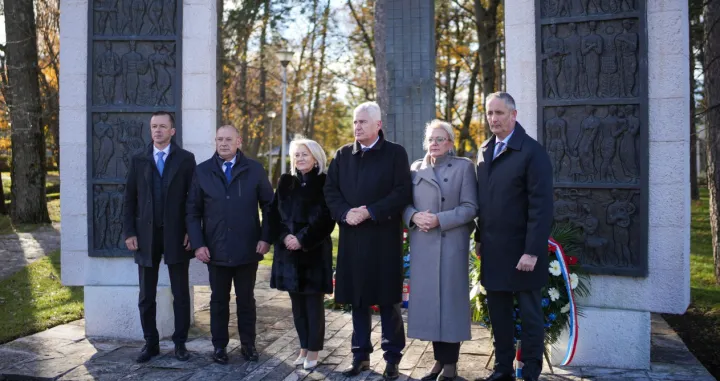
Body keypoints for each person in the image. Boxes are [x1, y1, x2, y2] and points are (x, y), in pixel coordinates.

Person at [324, 101, 412, 380]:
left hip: (383, 238)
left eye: (362, 122)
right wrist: (345, 212)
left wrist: (370, 211)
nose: (357, 127)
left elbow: (401, 192)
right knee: (357, 300)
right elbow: (330, 191)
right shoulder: (342, 155)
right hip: (353, 238)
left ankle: (392, 358)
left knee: (388, 301)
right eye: (354, 122)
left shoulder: (395, 154)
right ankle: (360, 355)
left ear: (378, 125)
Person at [474, 92, 553, 381]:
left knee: (530, 316)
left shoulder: (532, 152)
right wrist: (479, 239)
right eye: (489, 113)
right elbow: (485, 203)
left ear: (513, 115)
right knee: (499, 316)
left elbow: (541, 207)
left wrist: (532, 251)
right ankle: (502, 369)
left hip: (523, 253)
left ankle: (530, 372)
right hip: (494, 251)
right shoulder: (484, 151)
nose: (493, 118)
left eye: (499, 113)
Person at [186, 125, 273, 364]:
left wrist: (265, 238)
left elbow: (269, 206)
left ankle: (248, 345)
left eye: (228, 139)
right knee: (218, 300)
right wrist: (198, 244)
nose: (223, 143)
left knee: (246, 300)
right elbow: (192, 212)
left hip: (248, 248)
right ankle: (219, 347)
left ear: (239, 141)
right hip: (215, 250)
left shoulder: (254, 169)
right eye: (219, 139)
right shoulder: (202, 171)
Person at [402, 120, 478, 381]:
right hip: (424, 245)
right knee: (432, 307)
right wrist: (413, 216)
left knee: (450, 305)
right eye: (431, 139)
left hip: (451, 244)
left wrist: (439, 219)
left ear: (450, 142)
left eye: (440, 139)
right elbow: (404, 204)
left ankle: (450, 366)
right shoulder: (415, 169)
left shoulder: (464, 168)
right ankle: (438, 363)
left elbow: (470, 208)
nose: (434, 144)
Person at [122, 111, 197, 363]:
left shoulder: (186, 160)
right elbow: (129, 199)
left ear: (172, 131)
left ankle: (180, 344)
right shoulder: (138, 159)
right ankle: (150, 343)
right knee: (146, 294)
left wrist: (191, 231)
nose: (157, 130)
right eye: (154, 126)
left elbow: (193, 201)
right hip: (145, 237)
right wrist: (130, 232)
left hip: (177, 236)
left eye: (163, 126)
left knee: (180, 293)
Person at [268, 138, 335, 370]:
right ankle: (303, 347)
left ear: (316, 158)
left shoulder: (325, 182)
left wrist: (302, 239)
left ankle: (314, 351)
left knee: (313, 306)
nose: (299, 159)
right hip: (288, 255)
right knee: (297, 306)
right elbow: (274, 214)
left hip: (313, 254)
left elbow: (327, 218)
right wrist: (285, 237)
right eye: (296, 155)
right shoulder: (286, 182)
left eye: (304, 154)